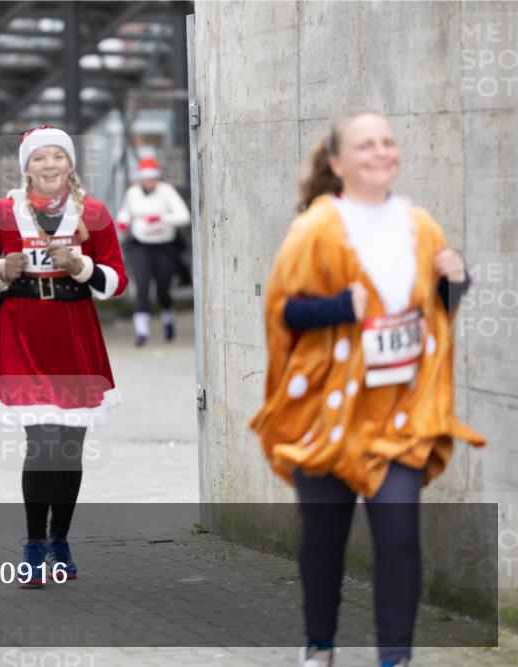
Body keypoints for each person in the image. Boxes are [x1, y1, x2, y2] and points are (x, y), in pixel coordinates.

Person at [249, 112, 485, 667]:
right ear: (337, 162)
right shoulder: (315, 228)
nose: (380, 152)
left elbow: (432, 314)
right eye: (365, 145)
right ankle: (320, 644)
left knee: (400, 538)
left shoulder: (419, 224)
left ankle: (395, 656)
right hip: (325, 415)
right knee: (325, 542)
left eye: (387, 142)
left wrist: (456, 281)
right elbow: (282, 312)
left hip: (399, 414)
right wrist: (337, 308)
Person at [0, 126, 128, 586]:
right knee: (42, 442)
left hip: (73, 336)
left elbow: (118, 280)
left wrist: (83, 267)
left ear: (70, 164)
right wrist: (0, 269)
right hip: (24, 335)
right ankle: (34, 543)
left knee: (69, 446)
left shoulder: (93, 214)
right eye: (40, 158)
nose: (50, 165)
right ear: (26, 168)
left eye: (58, 156)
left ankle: (61, 538)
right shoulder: (3, 213)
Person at [115, 156, 190, 346]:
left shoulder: (167, 191)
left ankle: (168, 321)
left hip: (164, 246)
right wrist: (124, 221)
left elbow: (184, 216)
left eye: (153, 178)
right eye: (146, 178)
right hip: (141, 246)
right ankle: (142, 332)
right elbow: (125, 212)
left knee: (163, 289)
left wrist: (161, 219)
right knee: (142, 286)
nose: (149, 182)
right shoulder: (132, 193)